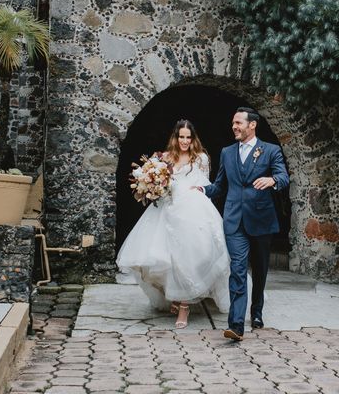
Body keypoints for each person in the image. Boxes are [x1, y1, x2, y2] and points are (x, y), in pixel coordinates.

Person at [117, 119, 230, 328]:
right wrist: (153, 186)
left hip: (192, 210)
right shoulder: (164, 158)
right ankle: (175, 297)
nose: (185, 141)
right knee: (166, 258)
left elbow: (205, 185)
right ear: (175, 137)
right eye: (181, 137)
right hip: (167, 210)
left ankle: (185, 307)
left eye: (188, 137)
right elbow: (159, 184)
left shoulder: (201, 158)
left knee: (188, 257)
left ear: (193, 138)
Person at [197, 107, 289, 341]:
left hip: (262, 220)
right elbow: (220, 186)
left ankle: (256, 311)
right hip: (234, 220)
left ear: (252, 125)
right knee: (237, 270)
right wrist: (201, 190)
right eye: (233, 123)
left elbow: (283, 177)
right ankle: (236, 325)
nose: (234, 127)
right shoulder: (227, 153)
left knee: (259, 269)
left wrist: (272, 180)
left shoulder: (270, 150)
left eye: (239, 123)